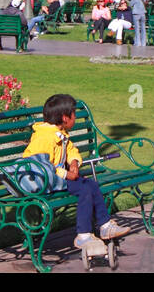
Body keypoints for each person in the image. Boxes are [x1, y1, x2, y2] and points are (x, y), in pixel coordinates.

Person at [20, 94, 124, 257]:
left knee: (91, 184)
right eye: (74, 114)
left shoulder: (59, 132)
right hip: (46, 181)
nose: (75, 117)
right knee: (84, 190)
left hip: (58, 179)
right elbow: (39, 165)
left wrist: (74, 162)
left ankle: (104, 226)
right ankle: (83, 235)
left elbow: (70, 150)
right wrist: (66, 173)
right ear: (65, 118)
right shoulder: (44, 137)